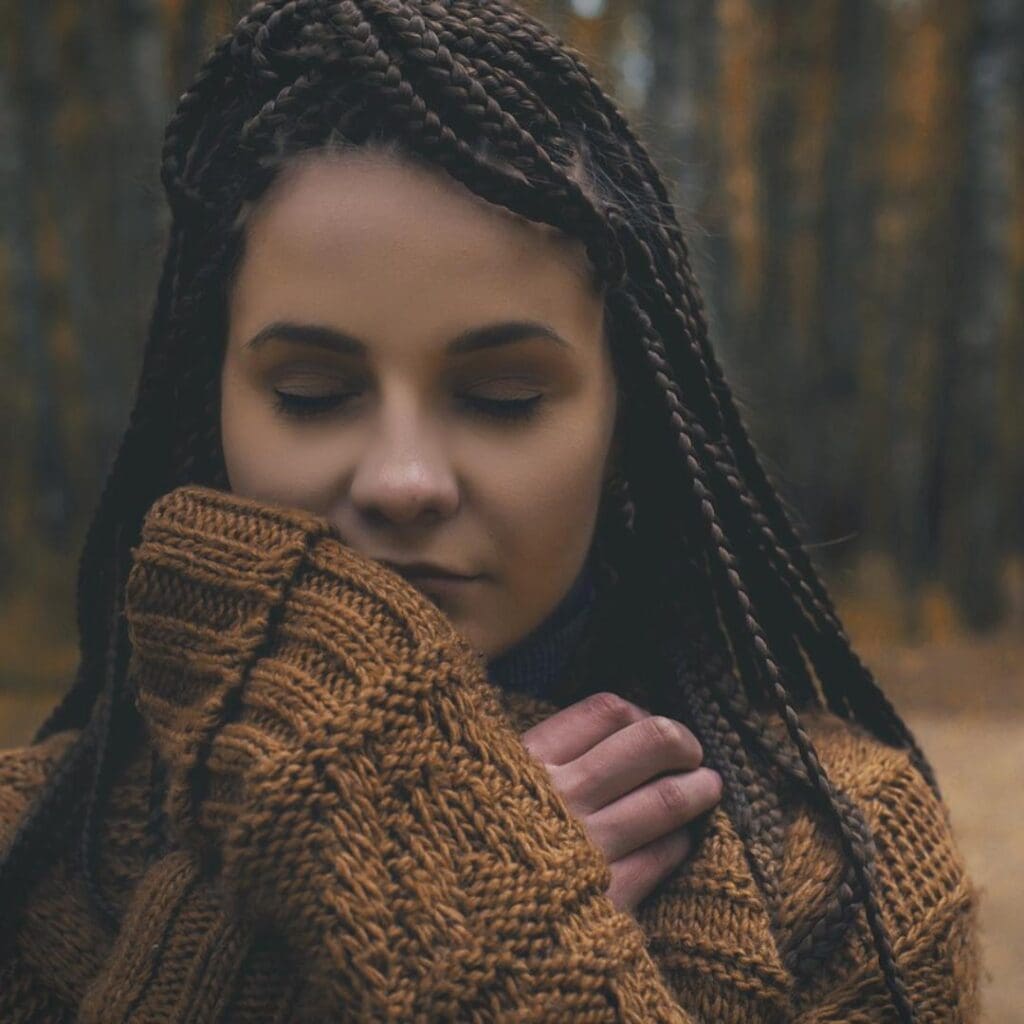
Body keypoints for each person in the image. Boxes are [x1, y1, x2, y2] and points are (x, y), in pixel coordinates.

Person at [0, 1, 979, 1021]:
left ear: (622, 424)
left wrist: (497, 953)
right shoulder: (32, 860)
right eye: (312, 394)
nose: (403, 479)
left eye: (502, 397)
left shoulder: (845, 863)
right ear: (212, 406)